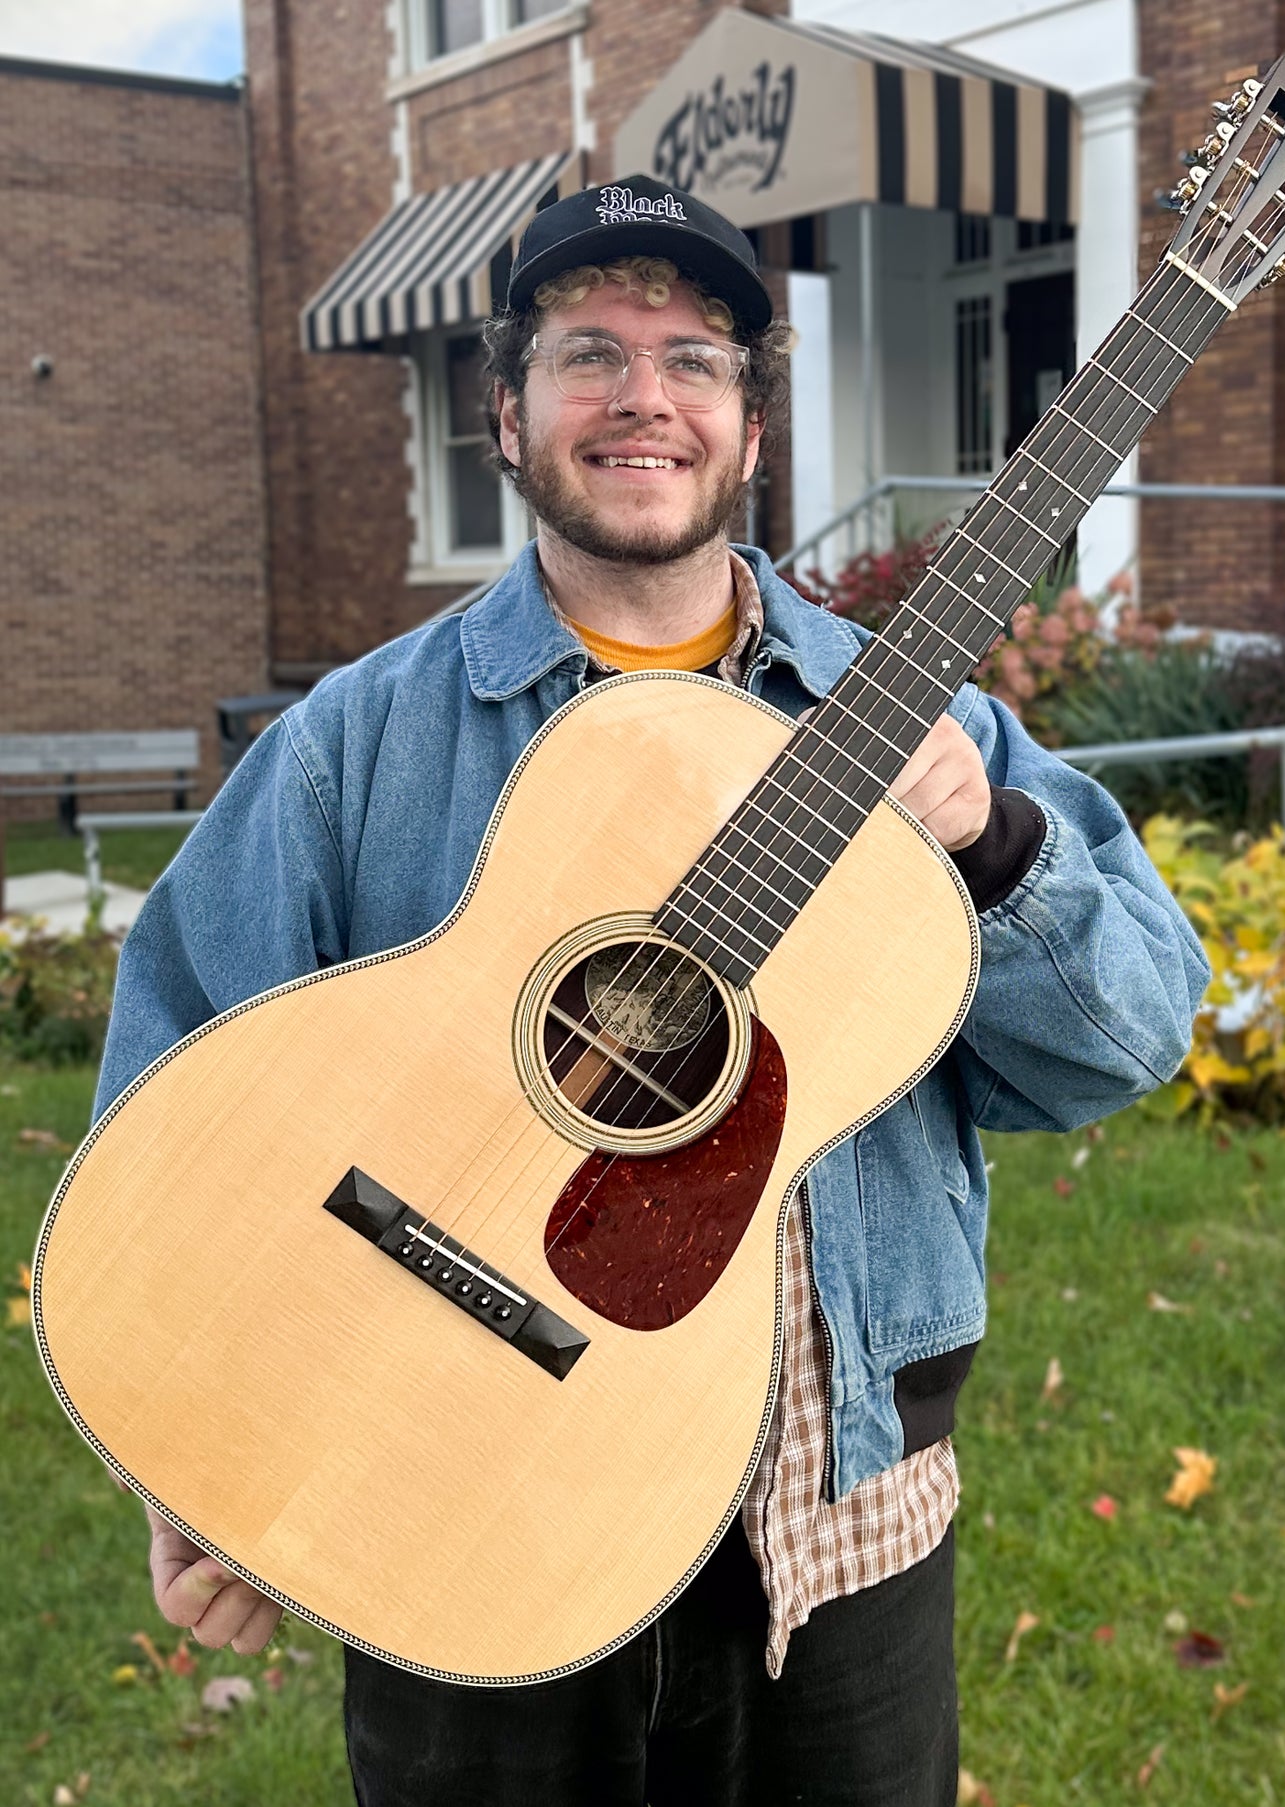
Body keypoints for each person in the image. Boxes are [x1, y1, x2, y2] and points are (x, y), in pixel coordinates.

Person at [98, 174, 1209, 1806]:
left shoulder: (914, 735)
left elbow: (1127, 1043)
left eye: (694, 358)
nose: (644, 398)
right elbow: (178, 1090)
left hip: (838, 1519)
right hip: (455, 1481)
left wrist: (990, 838)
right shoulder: (359, 741)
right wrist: (201, 1432)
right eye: (588, 352)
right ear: (506, 410)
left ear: (750, 429)